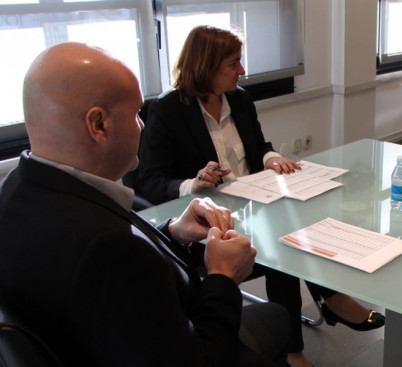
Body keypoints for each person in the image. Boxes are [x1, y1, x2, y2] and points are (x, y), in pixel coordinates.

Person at [0, 43, 291, 366]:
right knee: (275, 318)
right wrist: (222, 277)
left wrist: (173, 233)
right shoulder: (109, 252)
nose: (142, 125)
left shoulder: (18, 189)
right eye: (137, 114)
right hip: (189, 334)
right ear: (98, 125)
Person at [135, 25, 384, 367]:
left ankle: (329, 297)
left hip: (254, 199)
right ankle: (297, 342)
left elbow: (259, 146)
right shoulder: (168, 109)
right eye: (233, 63)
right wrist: (193, 184)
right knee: (283, 243)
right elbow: (149, 180)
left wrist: (272, 159)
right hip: (209, 219)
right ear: (206, 66)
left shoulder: (239, 99)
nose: (242, 71)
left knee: (306, 217)